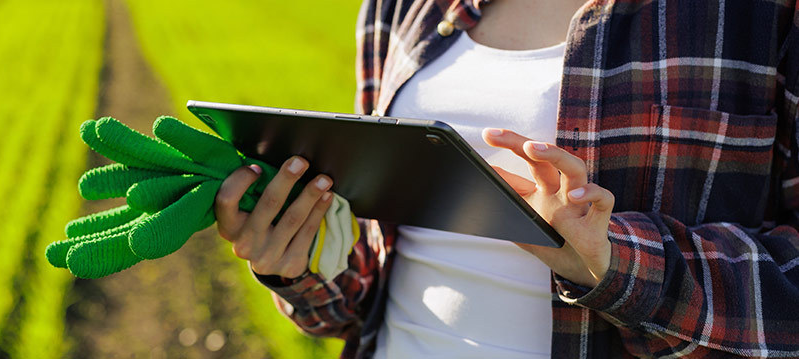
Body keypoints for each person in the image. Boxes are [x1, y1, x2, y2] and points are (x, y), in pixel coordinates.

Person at [213, 0, 799, 357]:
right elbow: (372, 277)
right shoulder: (401, 6)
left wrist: (618, 265)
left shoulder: (761, 16)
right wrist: (296, 258)